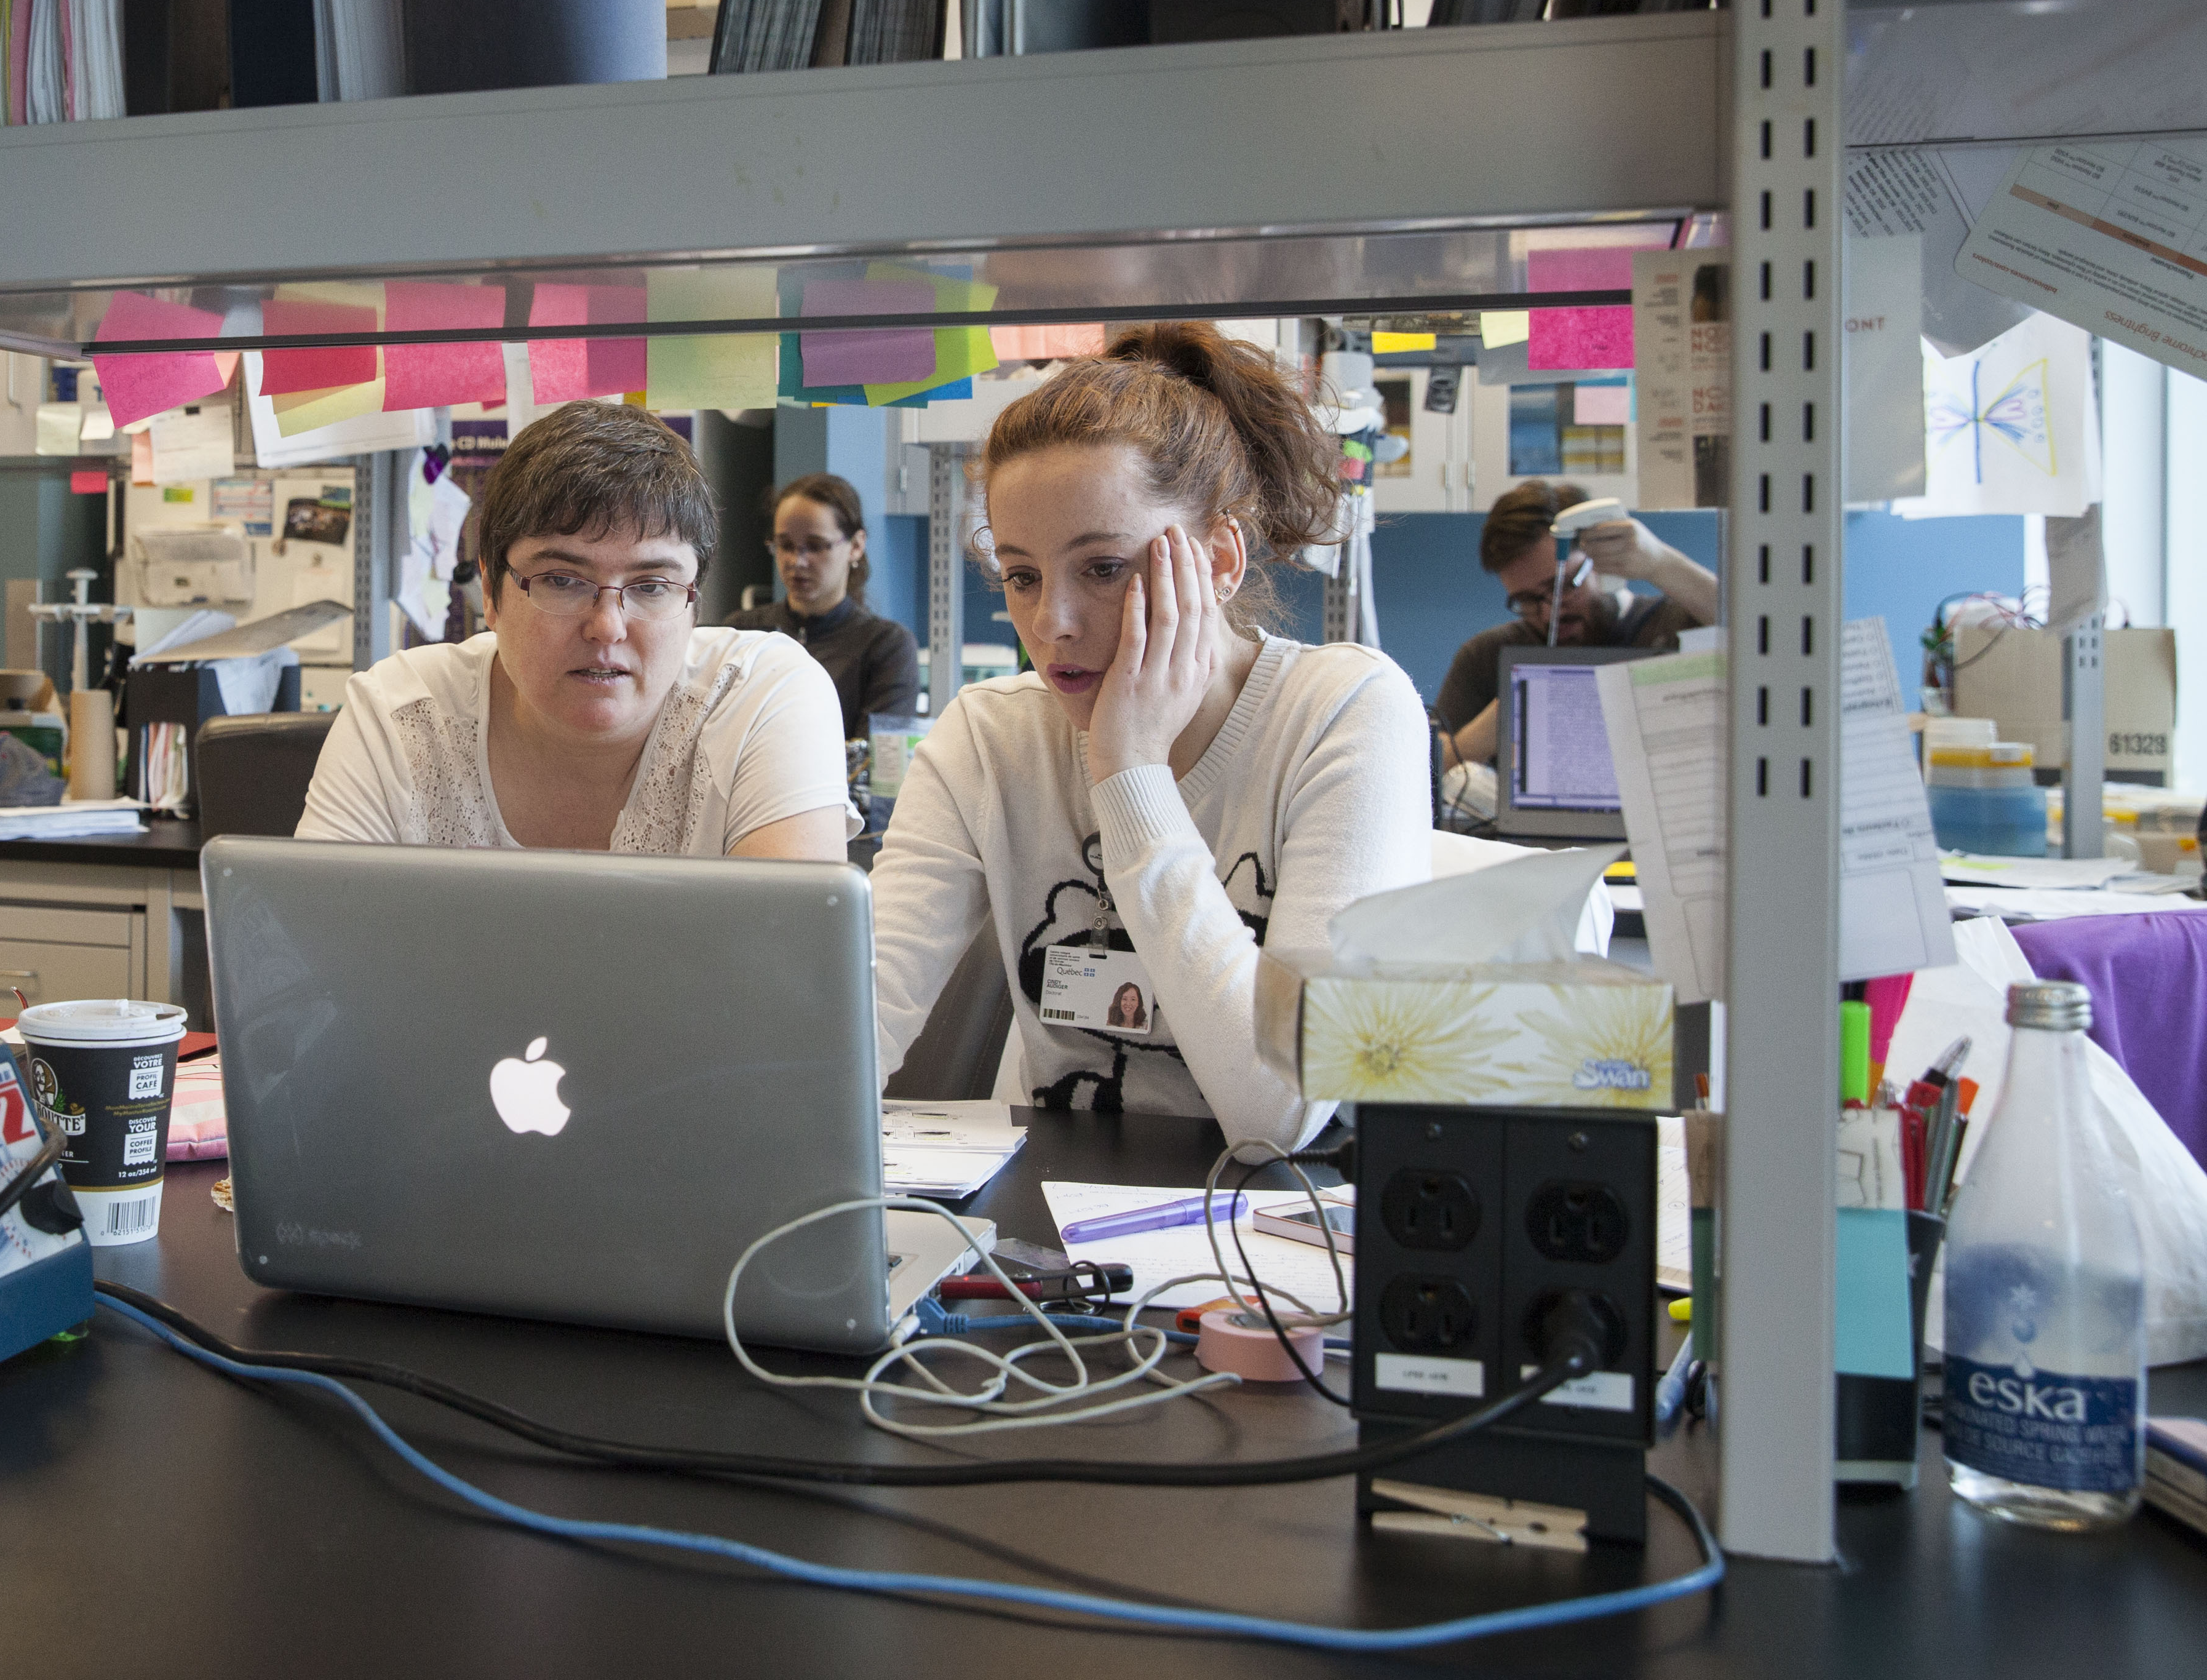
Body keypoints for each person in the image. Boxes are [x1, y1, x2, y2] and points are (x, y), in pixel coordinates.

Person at [867, 324, 1431, 1145]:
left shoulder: (1345, 711)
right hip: (1047, 1210)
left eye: (1103, 568)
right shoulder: (990, 737)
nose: (1051, 623)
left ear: (1220, 561)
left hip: (1276, 1210)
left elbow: (1281, 1113)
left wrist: (1130, 772)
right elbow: (854, 1028)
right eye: (1022, 576)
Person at [297, 402, 856, 857]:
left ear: (693, 606)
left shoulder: (761, 696)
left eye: (651, 586)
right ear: (490, 593)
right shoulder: (400, 717)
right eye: (562, 581)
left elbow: (788, 955)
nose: (607, 627)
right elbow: (307, 948)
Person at [1432, 479, 1717, 765]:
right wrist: (1479, 739)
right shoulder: (1487, 656)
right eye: (1528, 600)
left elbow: (1743, 629)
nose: (1550, 614)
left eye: (1565, 586)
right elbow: (1423, 766)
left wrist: (1661, 563)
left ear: (1600, 562)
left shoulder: (1674, 625)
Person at [728, 472, 918, 739]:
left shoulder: (886, 647)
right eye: (786, 545)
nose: (797, 561)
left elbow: (876, 757)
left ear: (856, 546)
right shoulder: (741, 632)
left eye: (816, 546)